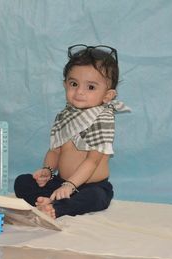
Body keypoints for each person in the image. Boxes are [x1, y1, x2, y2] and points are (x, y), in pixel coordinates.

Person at [14, 44, 128, 219]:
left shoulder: (103, 121)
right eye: (74, 84)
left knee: (96, 198)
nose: (79, 92)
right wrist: (48, 171)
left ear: (107, 96)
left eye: (90, 87)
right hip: (61, 182)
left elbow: (92, 162)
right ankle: (44, 200)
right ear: (65, 84)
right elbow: (55, 150)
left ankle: (57, 208)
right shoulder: (64, 116)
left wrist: (70, 186)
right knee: (22, 182)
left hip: (91, 185)